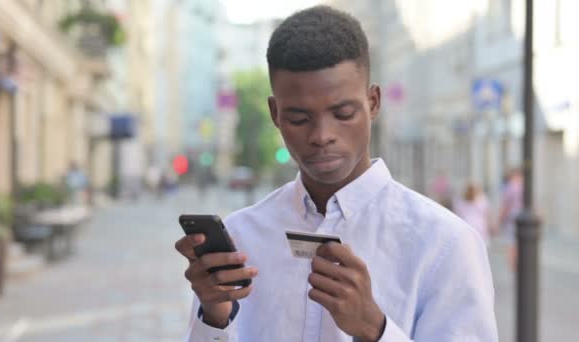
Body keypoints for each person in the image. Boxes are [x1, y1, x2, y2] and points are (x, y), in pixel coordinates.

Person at [175, 6, 497, 341]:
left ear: (373, 102)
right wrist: (214, 315)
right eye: (299, 118)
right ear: (275, 113)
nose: (321, 135)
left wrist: (376, 329)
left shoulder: (445, 244)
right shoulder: (241, 237)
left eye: (343, 113)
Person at [453, 183, 494, 248]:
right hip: (480, 227)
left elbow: (457, 215)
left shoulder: (461, 200)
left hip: (466, 226)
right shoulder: (482, 199)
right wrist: (491, 226)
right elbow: (487, 214)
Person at [499, 168, 524, 271]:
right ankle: (520, 265)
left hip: (512, 220)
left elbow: (506, 206)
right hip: (522, 219)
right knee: (520, 244)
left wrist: (499, 220)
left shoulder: (510, 187)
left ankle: (514, 267)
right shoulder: (524, 187)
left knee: (512, 245)